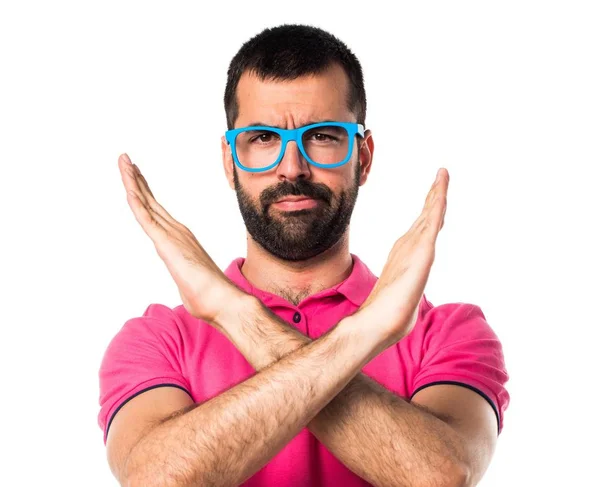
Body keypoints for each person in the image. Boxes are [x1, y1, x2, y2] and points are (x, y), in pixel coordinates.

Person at [98, 24, 509, 487]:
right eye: (262, 139)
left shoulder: (448, 332)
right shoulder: (157, 339)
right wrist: (362, 334)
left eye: (323, 137)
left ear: (364, 156)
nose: (291, 168)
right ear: (230, 161)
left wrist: (236, 315)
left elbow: (440, 478)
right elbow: (158, 481)